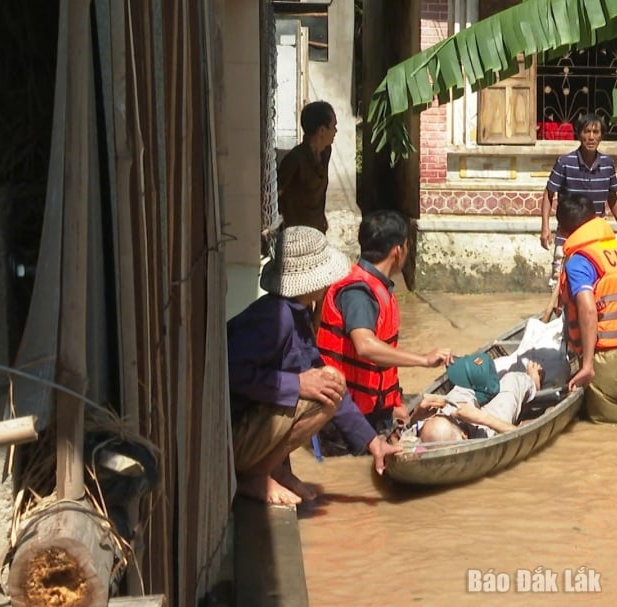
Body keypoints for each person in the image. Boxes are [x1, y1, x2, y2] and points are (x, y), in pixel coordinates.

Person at [227, 226, 400, 506]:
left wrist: (373, 442)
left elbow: (324, 378)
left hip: (248, 431)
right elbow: (231, 374)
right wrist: (297, 384)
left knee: (329, 380)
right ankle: (255, 475)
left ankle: (276, 470)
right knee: (323, 394)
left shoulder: (297, 313)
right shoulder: (274, 317)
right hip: (229, 439)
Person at [317, 209, 454, 439]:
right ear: (398, 251)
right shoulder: (358, 292)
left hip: (369, 411)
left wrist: (394, 402)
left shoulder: (376, 286)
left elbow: (381, 360)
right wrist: (424, 359)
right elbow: (366, 346)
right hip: (345, 419)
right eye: (407, 245)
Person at [556, 194, 617, 424]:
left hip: (608, 361)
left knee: (605, 437)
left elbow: (588, 310)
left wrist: (587, 365)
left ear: (564, 231)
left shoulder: (581, 261)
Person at [540, 113, 617, 287]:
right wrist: (545, 227)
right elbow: (549, 194)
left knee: (597, 280)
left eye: (596, 132)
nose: (591, 137)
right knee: (560, 281)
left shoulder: (608, 164)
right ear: (579, 134)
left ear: (601, 135)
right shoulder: (565, 162)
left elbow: (612, 197)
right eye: (587, 132)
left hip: (597, 232)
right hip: (568, 232)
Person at [413, 360, 545, 442]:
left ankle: (484, 387)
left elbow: (409, 432)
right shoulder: (483, 437)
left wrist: (416, 416)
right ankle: (533, 383)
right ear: (464, 436)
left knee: (463, 386)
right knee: (513, 380)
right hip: (480, 424)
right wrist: (482, 418)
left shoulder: (420, 444)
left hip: (449, 416)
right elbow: (522, 436)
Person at [277, 100, 337, 233]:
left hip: (318, 230)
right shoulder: (294, 159)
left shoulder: (326, 152)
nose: (335, 131)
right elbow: (277, 193)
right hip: (296, 234)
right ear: (322, 131)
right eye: (333, 126)